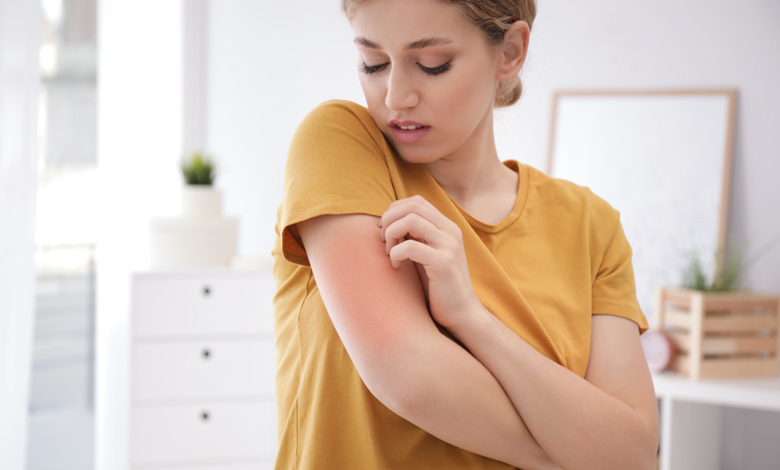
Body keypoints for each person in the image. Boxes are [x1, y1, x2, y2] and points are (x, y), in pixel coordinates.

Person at [270, 0, 660, 468]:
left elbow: (634, 455)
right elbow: (409, 377)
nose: (396, 97)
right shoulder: (339, 143)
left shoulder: (590, 225)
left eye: (432, 64)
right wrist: (573, 455)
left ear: (510, 52)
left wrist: (471, 319)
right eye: (373, 63)